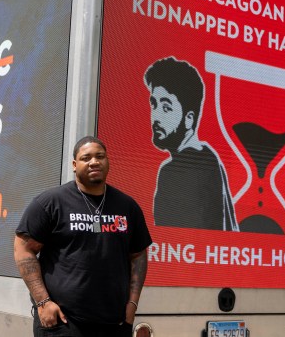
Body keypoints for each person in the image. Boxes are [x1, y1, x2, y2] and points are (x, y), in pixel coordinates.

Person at [14, 135, 152, 337]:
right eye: (86, 158)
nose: (94, 161)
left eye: (100, 156)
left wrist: (132, 303)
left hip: (114, 322)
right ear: (74, 164)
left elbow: (138, 255)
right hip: (63, 321)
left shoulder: (127, 206)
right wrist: (43, 302)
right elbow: (23, 249)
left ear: (107, 161)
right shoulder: (50, 203)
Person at [144, 56, 238, 231]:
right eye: (153, 105)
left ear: (189, 119)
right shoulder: (209, 157)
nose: (156, 117)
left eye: (166, 108)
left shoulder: (177, 170)